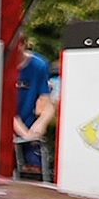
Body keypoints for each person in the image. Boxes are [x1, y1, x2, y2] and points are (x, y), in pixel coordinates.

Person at [11, 45, 59, 181]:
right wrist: (25, 134)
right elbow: (5, 109)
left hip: (27, 130)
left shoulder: (38, 65)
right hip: (9, 131)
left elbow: (47, 104)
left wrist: (41, 123)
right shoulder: (2, 64)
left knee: (35, 168)